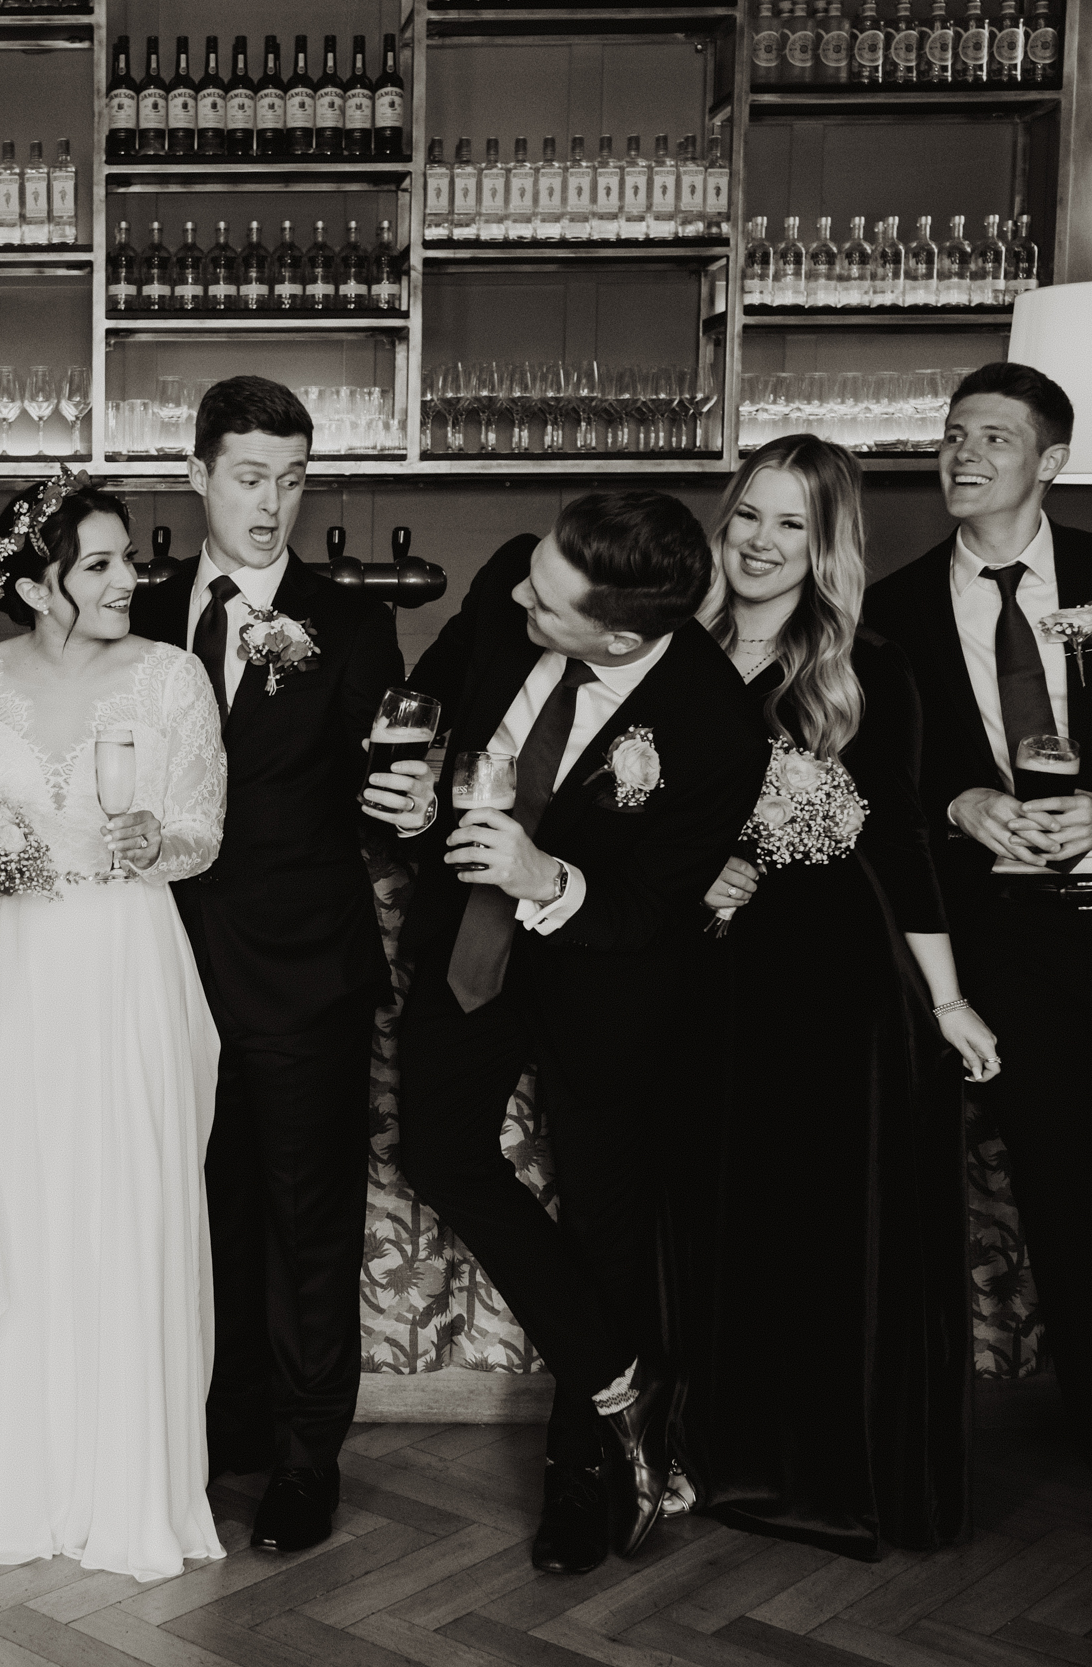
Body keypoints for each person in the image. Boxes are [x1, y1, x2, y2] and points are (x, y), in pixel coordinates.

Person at [864, 362, 1092, 1634]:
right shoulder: (895, 609)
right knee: (1070, 1211)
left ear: (1052, 458)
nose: (963, 453)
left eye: (994, 436)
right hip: (1010, 959)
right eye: (953, 434)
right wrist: (960, 803)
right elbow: (874, 780)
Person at [363, 492, 767, 1576]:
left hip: (606, 981)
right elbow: (433, 712)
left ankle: (583, 1479)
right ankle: (624, 1377)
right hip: (467, 936)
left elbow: (649, 910)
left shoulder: (718, 731)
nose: (512, 597)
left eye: (544, 603)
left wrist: (547, 877)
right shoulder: (516, 579)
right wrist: (412, 803)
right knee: (439, 1152)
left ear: (623, 636)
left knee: (604, 1217)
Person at [0, 477, 227, 1581]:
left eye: (128, 559)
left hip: (126, 960)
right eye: (98, 565)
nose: (129, 580)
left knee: (122, 1203)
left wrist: (153, 842)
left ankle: (126, 1479)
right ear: (33, 584)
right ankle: (11, 1469)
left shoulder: (173, 676)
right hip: (12, 968)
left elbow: (204, 828)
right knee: (14, 1208)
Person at [674, 435, 998, 1560]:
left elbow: (903, 841)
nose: (761, 543)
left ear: (827, 544)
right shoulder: (675, 647)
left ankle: (826, 1473)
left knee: (821, 1227)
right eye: (748, 516)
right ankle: (724, 1455)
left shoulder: (866, 666)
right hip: (701, 981)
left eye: (790, 525)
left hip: (829, 989)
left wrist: (946, 1001)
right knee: (720, 1218)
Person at [125, 377, 400, 1554]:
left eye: (293, 479)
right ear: (196, 476)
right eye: (249, 476)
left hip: (300, 972)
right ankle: (215, 1425)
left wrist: (414, 800)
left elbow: (383, 800)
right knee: (194, 1209)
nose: (271, 504)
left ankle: (302, 1458)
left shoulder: (352, 624)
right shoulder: (124, 610)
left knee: (306, 1223)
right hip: (153, 970)